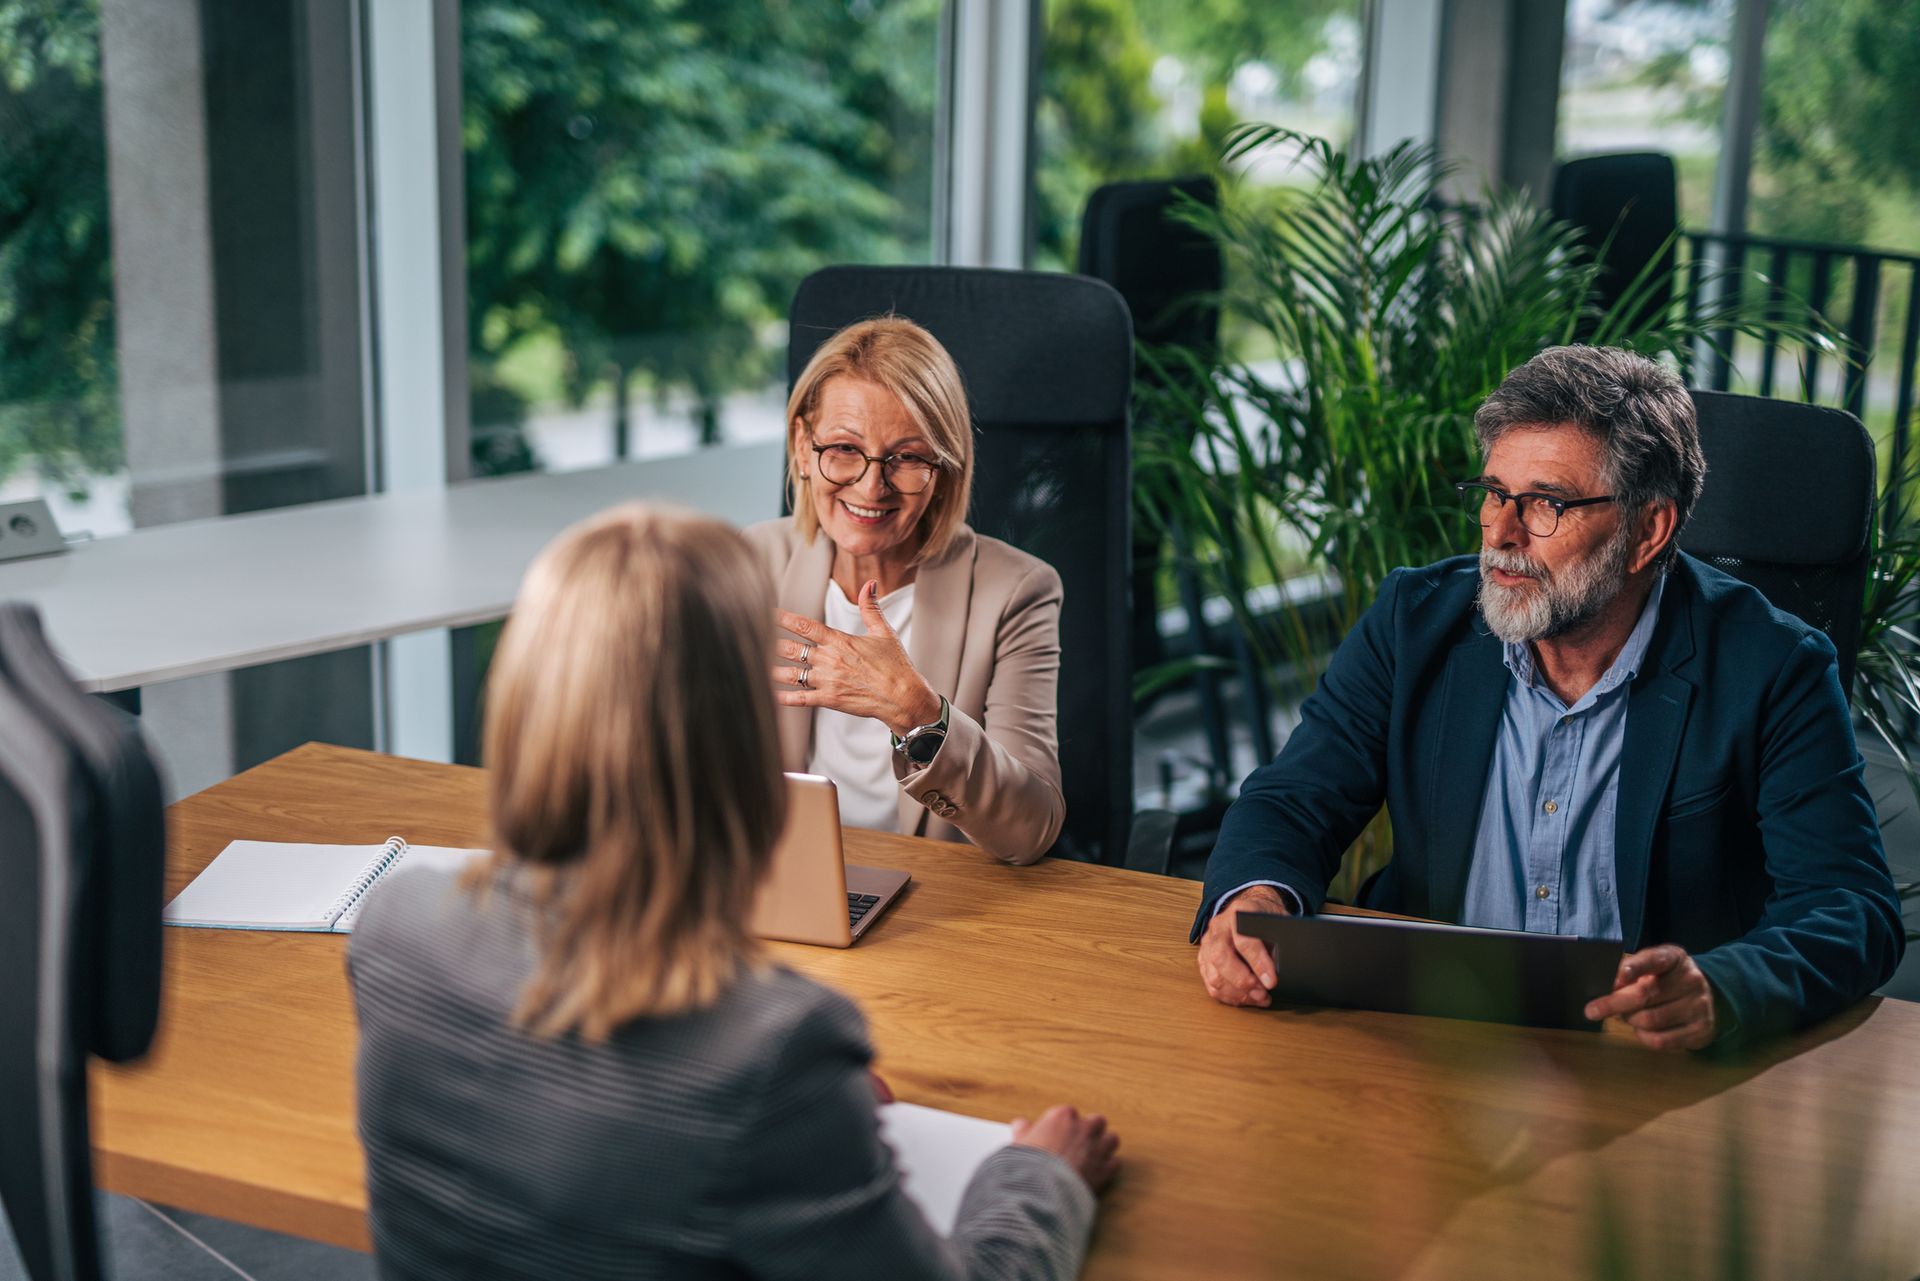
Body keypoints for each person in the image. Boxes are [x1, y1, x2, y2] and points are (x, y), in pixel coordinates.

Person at [347, 504, 1118, 1280]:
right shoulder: (775, 1053)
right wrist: (1038, 1178)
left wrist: (820, 1122)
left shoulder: (394, 926)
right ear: (737, 733)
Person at [1194, 345, 1905, 1050]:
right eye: (1495, 494)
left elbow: (1849, 905)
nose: (1501, 533)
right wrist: (1256, 898)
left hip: (1640, 1061)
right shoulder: (1415, 622)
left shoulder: (1774, 666)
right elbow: (1295, 799)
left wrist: (1722, 986)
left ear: (1647, 531)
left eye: (1546, 504)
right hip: (1422, 1033)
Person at [746, 316, 1065, 864]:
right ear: (802, 445)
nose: (872, 485)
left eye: (907, 457)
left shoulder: (1017, 591)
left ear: (942, 467)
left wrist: (918, 713)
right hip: (785, 888)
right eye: (844, 448)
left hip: (935, 909)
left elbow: (1031, 832)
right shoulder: (747, 567)